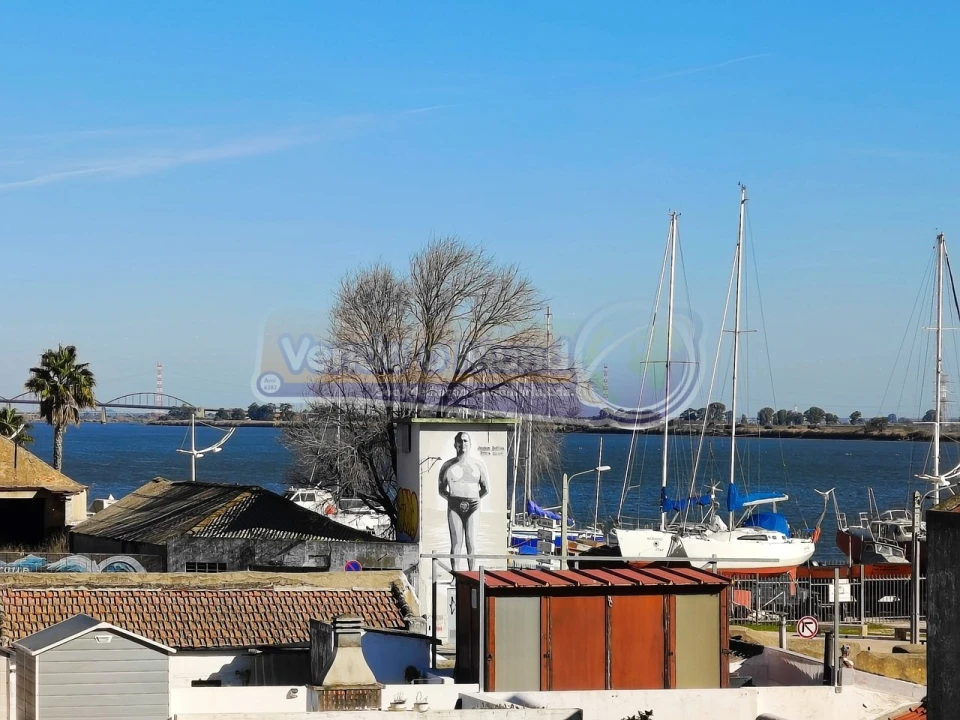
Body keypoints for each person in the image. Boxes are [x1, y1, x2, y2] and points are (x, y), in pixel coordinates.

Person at [438, 432, 489, 570]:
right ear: (455, 444)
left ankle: (472, 574)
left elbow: (485, 489)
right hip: (454, 505)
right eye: (460, 441)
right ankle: (455, 575)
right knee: (456, 543)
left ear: (470, 444)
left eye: (466, 441)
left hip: (473, 505)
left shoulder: (478, 465)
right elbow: (441, 489)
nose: (463, 444)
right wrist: (452, 498)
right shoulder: (447, 466)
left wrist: (473, 498)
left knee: (471, 543)